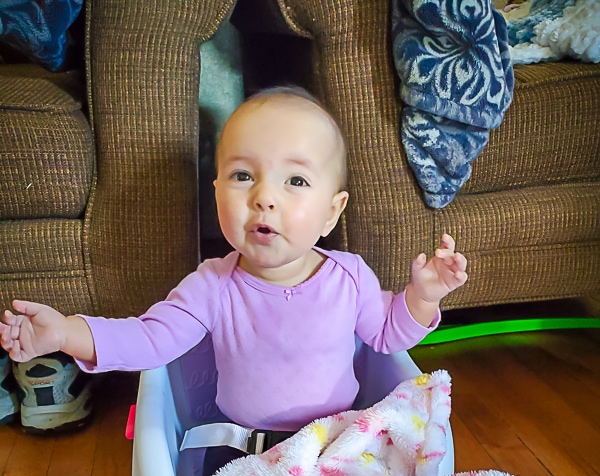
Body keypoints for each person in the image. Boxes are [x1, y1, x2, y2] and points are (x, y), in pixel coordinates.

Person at [0, 87, 467, 445]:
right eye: (243, 176)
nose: (263, 197)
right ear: (217, 191)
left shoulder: (350, 277)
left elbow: (389, 337)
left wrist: (423, 297)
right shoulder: (212, 286)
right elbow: (148, 340)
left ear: (331, 211)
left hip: (336, 444)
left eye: (296, 180)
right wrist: (64, 333)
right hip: (245, 450)